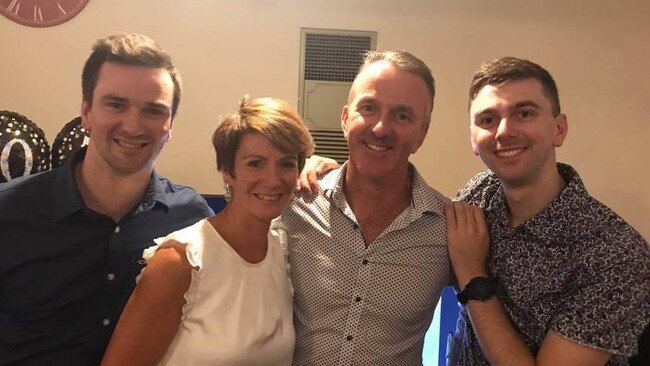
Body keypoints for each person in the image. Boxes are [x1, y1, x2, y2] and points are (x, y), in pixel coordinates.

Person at [0, 33, 213, 365]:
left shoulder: (192, 220)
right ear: (86, 112)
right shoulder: (9, 212)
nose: (133, 125)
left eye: (153, 111)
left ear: (170, 126)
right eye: (116, 104)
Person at [445, 57, 650, 365]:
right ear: (473, 139)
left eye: (524, 113)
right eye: (487, 120)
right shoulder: (479, 194)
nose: (503, 131)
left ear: (559, 129)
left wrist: (474, 277)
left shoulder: (615, 253)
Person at [101, 96, 315, 365]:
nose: (273, 180)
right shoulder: (180, 260)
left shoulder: (281, 250)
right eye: (255, 163)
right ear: (227, 170)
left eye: (286, 164)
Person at [273, 50, 450, 365]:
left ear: (421, 134)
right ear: (344, 119)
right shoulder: (292, 203)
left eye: (402, 115)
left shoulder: (448, 226)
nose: (381, 128)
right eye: (368, 108)